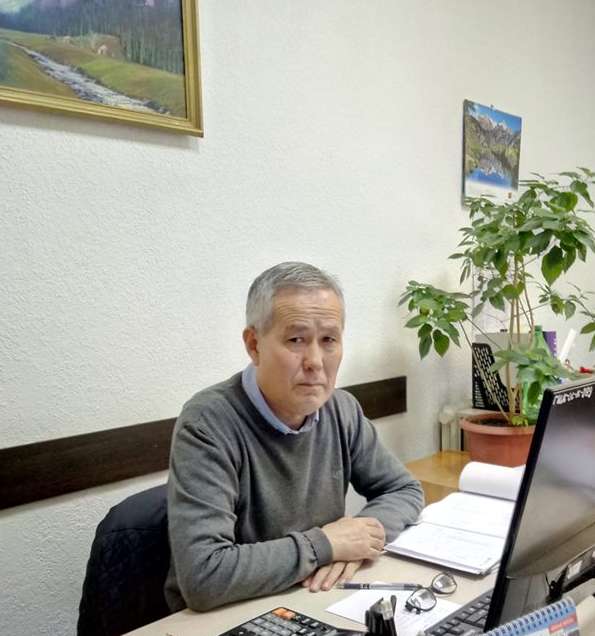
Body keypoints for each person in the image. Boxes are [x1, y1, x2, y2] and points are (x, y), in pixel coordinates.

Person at [164, 261, 423, 612]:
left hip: (312, 597)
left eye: (328, 340)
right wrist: (324, 545)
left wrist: (360, 537)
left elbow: (404, 489)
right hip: (226, 616)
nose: (315, 361)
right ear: (254, 345)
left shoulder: (341, 409)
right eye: (296, 340)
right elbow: (204, 575)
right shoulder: (208, 423)